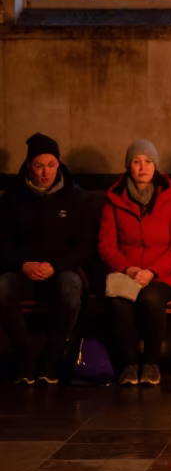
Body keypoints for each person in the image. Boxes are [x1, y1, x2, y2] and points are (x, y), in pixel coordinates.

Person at [0, 132, 93, 384]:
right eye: (39, 166)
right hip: (24, 271)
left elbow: (85, 244)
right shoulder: (13, 198)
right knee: (2, 289)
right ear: (30, 165)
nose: (45, 173)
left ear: (58, 164)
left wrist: (56, 265)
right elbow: (3, 243)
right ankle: (26, 356)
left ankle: (52, 358)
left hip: (61, 270)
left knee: (70, 289)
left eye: (51, 165)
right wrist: (23, 264)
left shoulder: (74, 196)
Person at [98, 140, 171, 386]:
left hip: (164, 274)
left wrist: (152, 271)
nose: (143, 167)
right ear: (128, 166)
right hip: (126, 272)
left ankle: (151, 363)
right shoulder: (114, 199)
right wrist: (128, 269)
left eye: (148, 161)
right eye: (137, 161)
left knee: (151, 298)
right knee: (119, 302)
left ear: (156, 166)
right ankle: (129, 365)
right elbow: (106, 245)